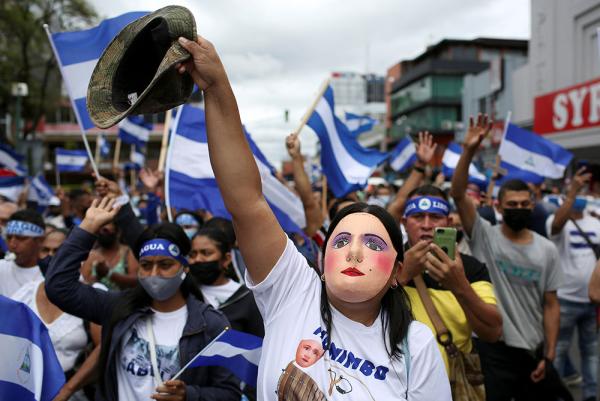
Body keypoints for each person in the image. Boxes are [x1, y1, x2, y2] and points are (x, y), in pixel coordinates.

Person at [176, 34, 451, 400]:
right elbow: (246, 201)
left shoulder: (416, 345)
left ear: (397, 273)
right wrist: (216, 87)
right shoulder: (293, 292)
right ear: (322, 259)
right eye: (341, 240)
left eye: (373, 244)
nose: (354, 252)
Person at [45, 197, 241, 401]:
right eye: (146, 265)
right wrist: (86, 228)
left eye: (165, 265)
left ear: (185, 267)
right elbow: (59, 287)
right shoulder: (118, 308)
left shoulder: (210, 324)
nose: (154, 274)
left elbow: (230, 394)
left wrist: (189, 395)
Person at [451, 114, 568, 401]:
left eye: (524, 204)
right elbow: (457, 193)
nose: (519, 208)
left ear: (533, 205)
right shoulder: (484, 235)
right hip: (493, 349)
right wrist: (468, 151)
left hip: (532, 350)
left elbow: (551, 305)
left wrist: (550, 353)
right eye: (512, 205)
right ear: (499, 206)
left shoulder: (547, 249)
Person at [399, 184, 502, 378]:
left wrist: (459, 284)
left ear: (449, 222)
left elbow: (493, 331)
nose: (427, 225)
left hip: (452, 381)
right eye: (418, 217)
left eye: (435, 217)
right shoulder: (389, 263)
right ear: (404, 222)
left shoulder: (471, 268)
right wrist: (403, 275)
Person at [547, 167, 599, 401]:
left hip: (593, 302)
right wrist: (571, 194)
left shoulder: (596, 222)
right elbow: (556, 226)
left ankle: (590, 396)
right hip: (565, 299)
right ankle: (556, 395)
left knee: (591, 353)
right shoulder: (557, 220)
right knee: (557, 352)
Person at [189, 226, 264, 337]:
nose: (198, 259)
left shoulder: (247, 298)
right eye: (193, 254)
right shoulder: (185, 295)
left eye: (206, 253)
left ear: (226, 259)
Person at [81, 221, 139, 289]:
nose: (102, 232)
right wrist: (98, 276)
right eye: (99, 230)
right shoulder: (91, 256)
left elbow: (136, 281)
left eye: (105, 230)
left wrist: (109, 274)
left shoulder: (128, 253)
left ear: (118, 233)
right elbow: (85, 284)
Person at [0, 209, 45, 297]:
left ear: (40, 240)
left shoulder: (50, 274)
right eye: (9, 238)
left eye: (21, 238)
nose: (12, 244)